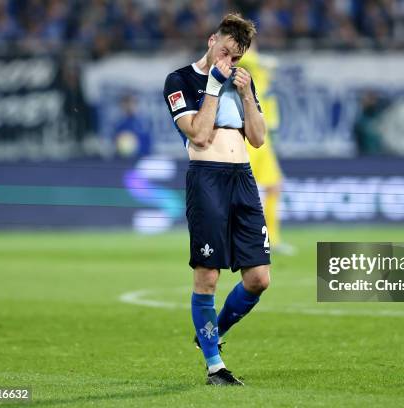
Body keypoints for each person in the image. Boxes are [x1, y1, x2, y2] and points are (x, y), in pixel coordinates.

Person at [163, 13, 270, 386]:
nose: (229, 62)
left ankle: (210, 332)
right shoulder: (180, 80)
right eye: (225, 51)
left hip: (242, 178)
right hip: (207, 179)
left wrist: (245, 94)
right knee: (207, 276)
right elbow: (199, 135)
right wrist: (213, 86)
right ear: (212, 40)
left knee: (259, 278)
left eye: (236, 58)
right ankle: (215, 367)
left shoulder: (242, 81)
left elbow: (257, 139)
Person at [239, 42, 295, 255]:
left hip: (265, 136)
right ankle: (236, 237)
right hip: (248, 135)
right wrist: (261, 59)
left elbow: (268, 96)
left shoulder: (259, 68)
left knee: (274, 186)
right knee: (243, 189)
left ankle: (272, 239)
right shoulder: (243, 62)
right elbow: (238, 57)